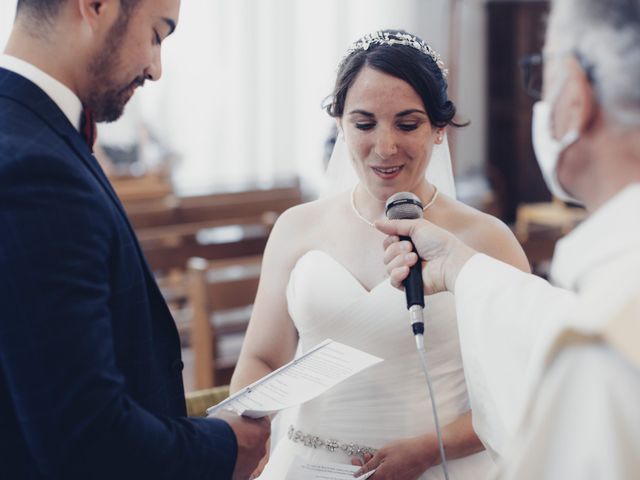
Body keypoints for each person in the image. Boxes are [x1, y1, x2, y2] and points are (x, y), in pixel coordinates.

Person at [230, 29, 529, 480]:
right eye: (364, 124)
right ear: (340, 125)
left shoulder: (488, 239)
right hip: (305, 468)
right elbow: (262, 359)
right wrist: (251, 429)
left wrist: (429, 450)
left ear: (439, 128)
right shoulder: (296, 227)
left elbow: (522, 389)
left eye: (407, 124)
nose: (385, 147)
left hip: (434, 467)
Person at [0, 1, 269, 478]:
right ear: (96, 6)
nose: (156, 68)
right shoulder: (33, 166)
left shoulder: (26, 129)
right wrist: (226, 445)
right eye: (156, 34)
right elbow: (86, 439)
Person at [379, 1, 640, 478]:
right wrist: (460, 267)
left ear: (577, 95)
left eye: (543, 71)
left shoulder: (608, 333)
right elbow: (550, 319)